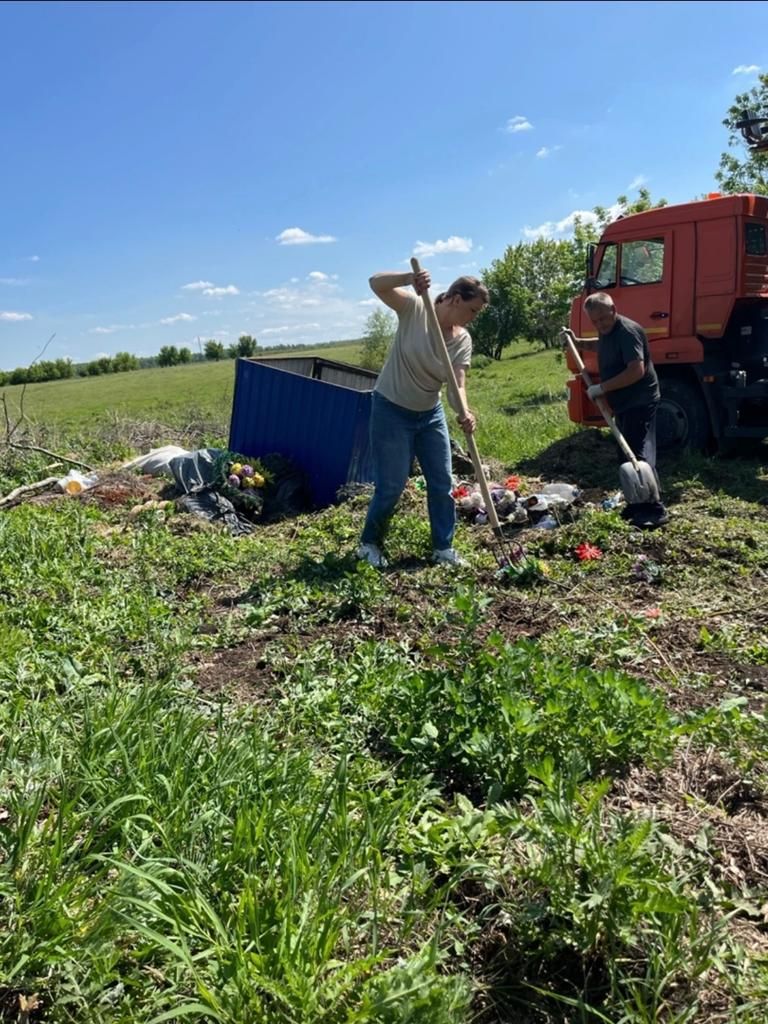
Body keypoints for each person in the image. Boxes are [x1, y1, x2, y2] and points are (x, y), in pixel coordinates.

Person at [357, 267, 489, 568]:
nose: (474, 317)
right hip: (391, 408)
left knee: (442, 481)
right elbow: (375, 283)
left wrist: (464, 412)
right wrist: (408, 279)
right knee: (391, 485)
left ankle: (443, 548)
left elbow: (457, 386)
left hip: (430, 414)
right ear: (455, 299)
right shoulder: (416, 309)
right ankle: (369, 544)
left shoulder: (462, 340)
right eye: (472, 310)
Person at [564, 292, 669, 528]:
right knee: (626, 452)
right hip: (624, 402)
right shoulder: (608, 331)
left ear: (613, 309)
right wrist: (578, 342)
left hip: (640, 400)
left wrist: (602, 387)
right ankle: (636, 505)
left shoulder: (627, 331)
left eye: (604, 318)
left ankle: (654, 509)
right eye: (595, 321)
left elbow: (636, 371)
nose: (601, 324)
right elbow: (602, 344)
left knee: (638, 454)